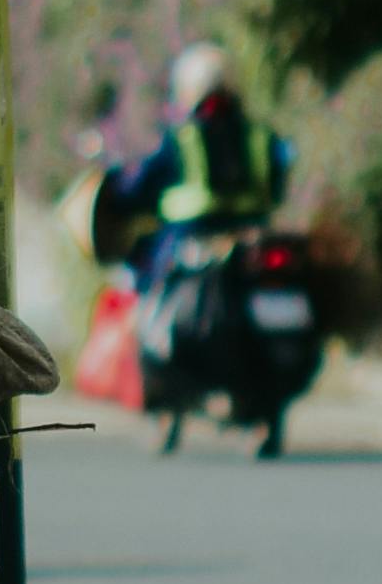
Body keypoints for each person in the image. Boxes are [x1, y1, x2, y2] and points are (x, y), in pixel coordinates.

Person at [93, 42, 296, 447]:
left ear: (186, 89)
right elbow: (278, 178)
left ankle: (166, 400)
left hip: (189, 248)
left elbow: (138, 187)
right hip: (254, 244)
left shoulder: (180, 140)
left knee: (145, 293)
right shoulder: (261, 136)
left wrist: (116, 187)